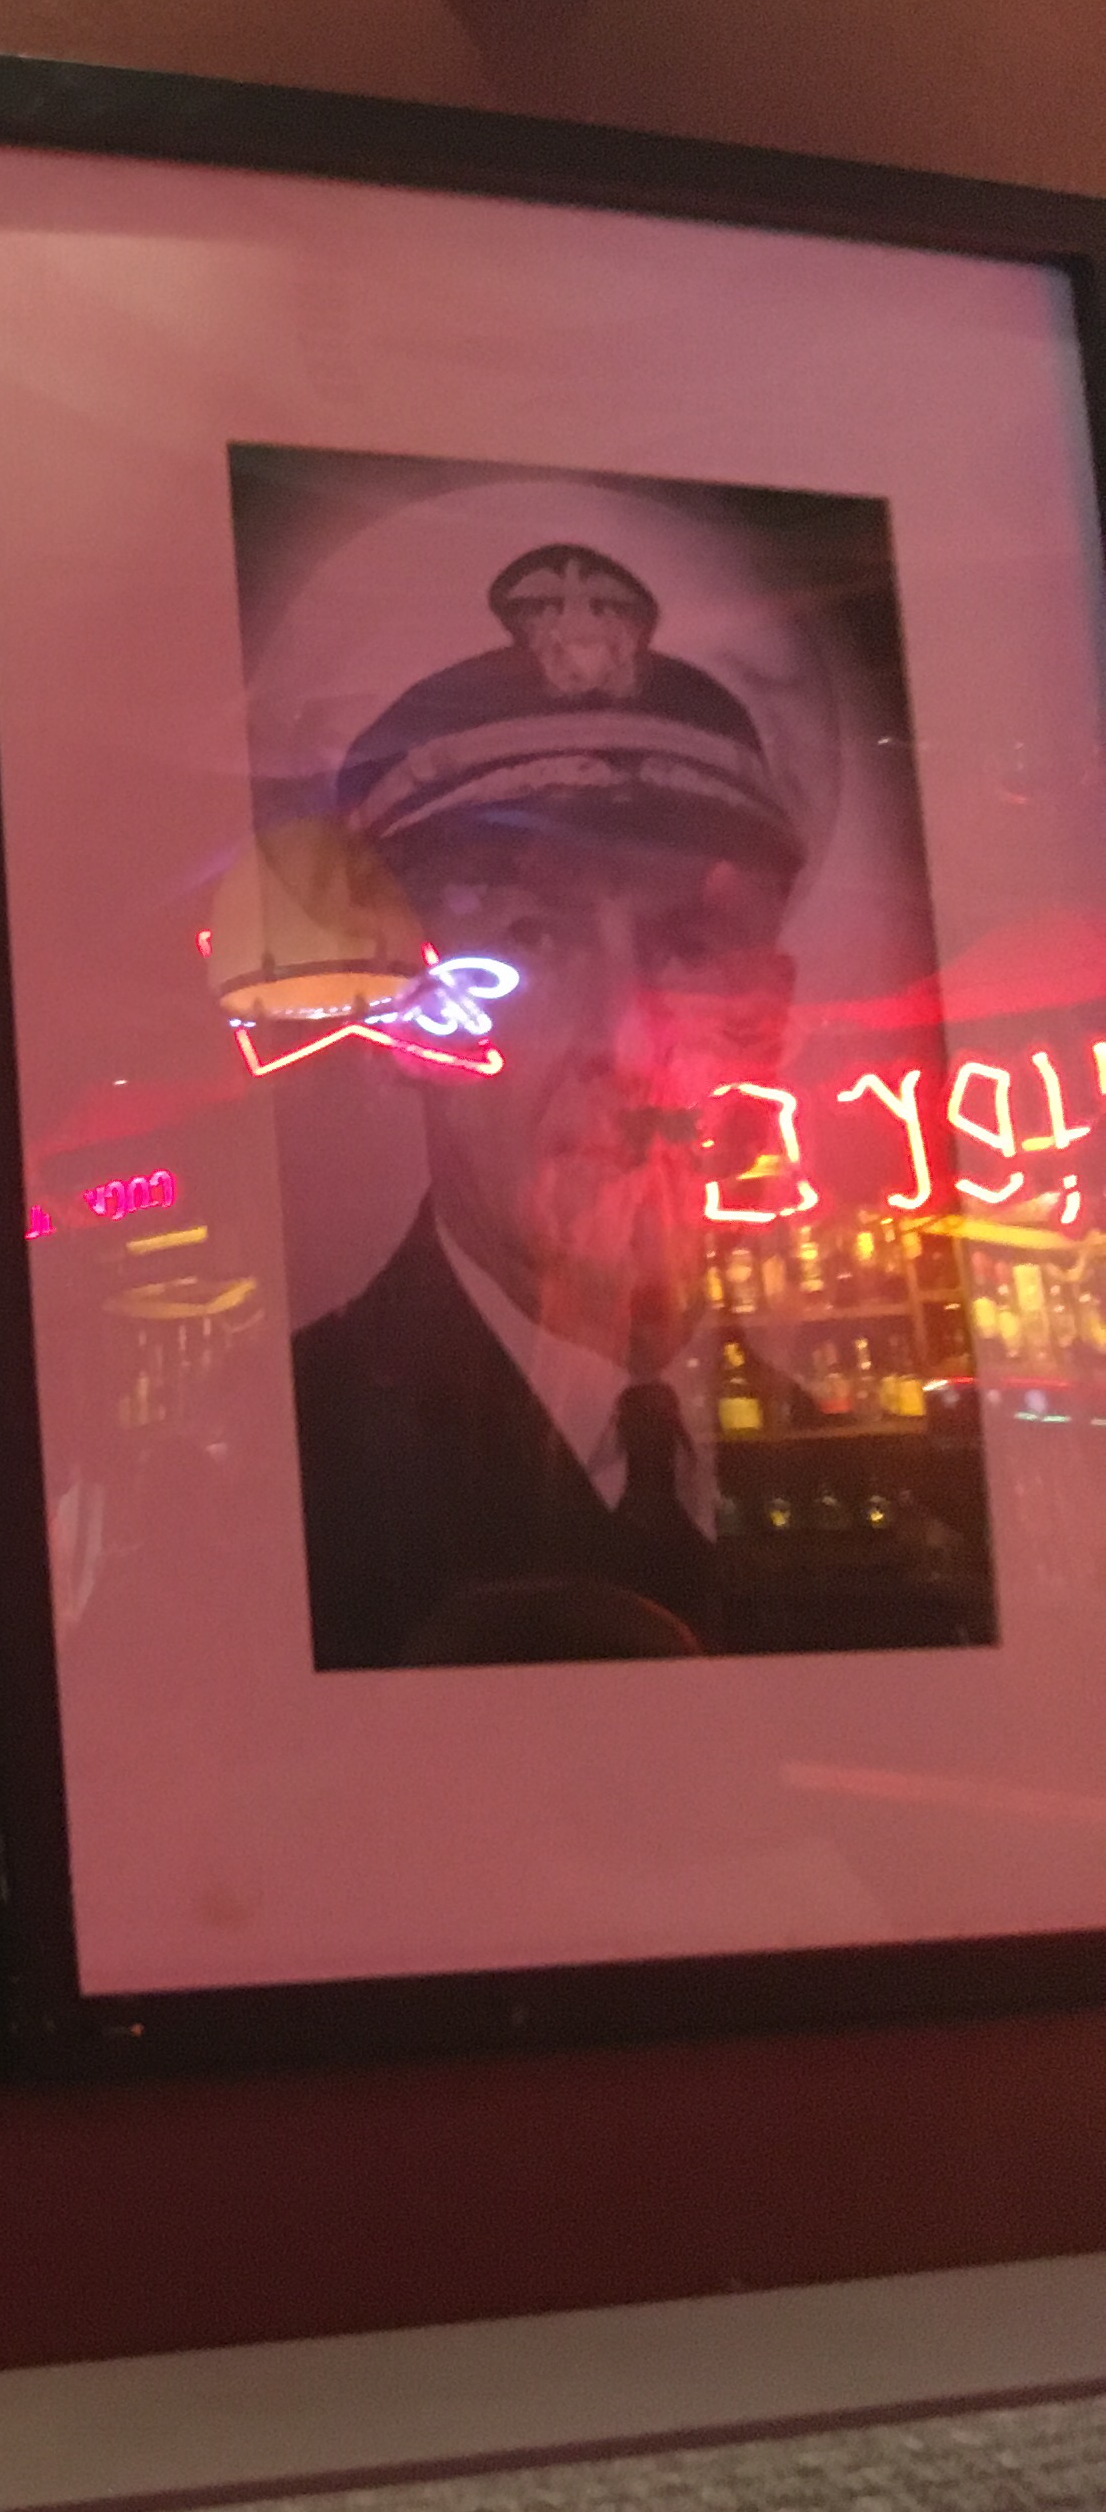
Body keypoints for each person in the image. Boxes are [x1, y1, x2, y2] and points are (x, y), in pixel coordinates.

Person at [287, 541, 987, 1668]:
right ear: (397, 1020)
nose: (628, 1043)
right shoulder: (293, 1476)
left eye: (690, 945)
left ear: (770, 1006)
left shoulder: (903, 1498)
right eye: (529, 938)